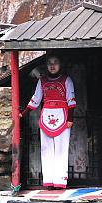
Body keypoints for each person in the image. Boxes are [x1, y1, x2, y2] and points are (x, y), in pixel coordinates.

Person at [24, 54, 76, 189]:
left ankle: (60, 180)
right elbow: (35, 99)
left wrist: (70, 118)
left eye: (55, 62)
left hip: (62, 116)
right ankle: (49, 180)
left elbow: (71, 100)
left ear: (60, 65)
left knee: (61, 149)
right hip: (46, 116)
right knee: (46, 149)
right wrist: (23, 113)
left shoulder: (66, 80)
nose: (52, 66)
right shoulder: (42, 81)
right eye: (49, 63)